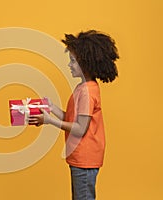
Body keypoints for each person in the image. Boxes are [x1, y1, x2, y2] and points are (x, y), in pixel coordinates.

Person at [28, 30, 119, 200]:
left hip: (85, 158)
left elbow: (79, 129)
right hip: (80, 157)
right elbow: (72, 120)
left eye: (73, 61)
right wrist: (50, 107)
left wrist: (49, 121)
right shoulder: (83, 87)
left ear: (86, 63)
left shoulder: (87, 91)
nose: (69, 65)